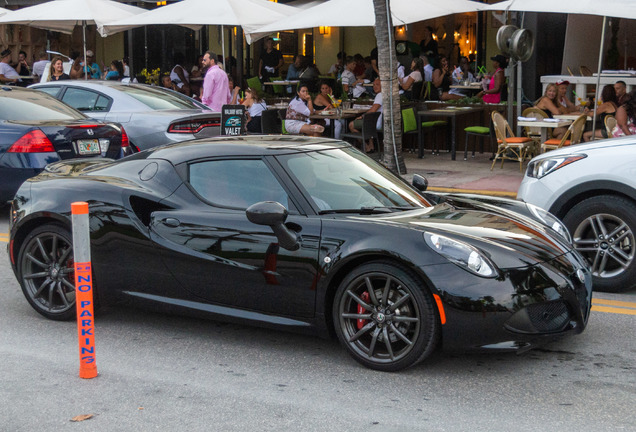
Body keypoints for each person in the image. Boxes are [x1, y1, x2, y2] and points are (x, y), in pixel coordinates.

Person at [348, 78, 382, 153]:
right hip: (377, 121)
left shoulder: (380, 95)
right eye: (373, 85)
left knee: (351, 125)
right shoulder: (385, 94)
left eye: (377, 85)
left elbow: (373, 110)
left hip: (376, 122)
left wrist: (362, 116)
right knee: (367, 125)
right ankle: (371, 146)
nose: (375, 87)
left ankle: (366, 147)